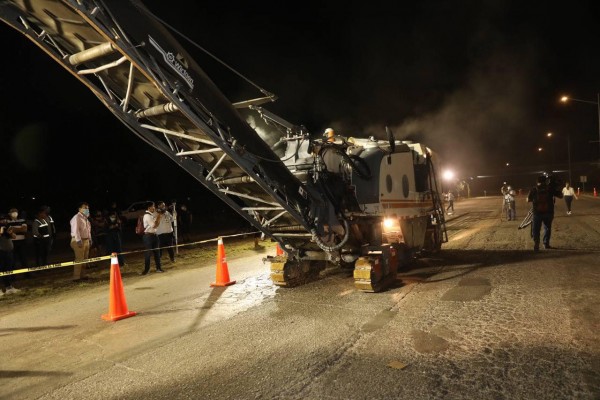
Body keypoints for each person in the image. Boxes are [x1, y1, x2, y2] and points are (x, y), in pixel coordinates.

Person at [527, 175, 563, 251]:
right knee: (547, 228)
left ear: (537, 182)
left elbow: (528, 200)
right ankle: (546, 243)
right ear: (545, 181)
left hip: (537, 213)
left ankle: (536, 243)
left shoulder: (534, 189)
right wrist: (557, 188)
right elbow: (560, 196)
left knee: (536, 229)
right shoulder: (550, 189)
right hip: (549, 212)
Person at [70, 202, 92, 281]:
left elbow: (88, 230)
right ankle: (76, 277)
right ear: (80, 209)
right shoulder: (77, 217)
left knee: (85, 259)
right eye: (85, 208)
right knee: (79, 259)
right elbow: (76, 230)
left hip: (86, 240)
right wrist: (79, 241)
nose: (87, 209)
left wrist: (90, 239)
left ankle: (83, 275)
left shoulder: (85, 218)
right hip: (78, 240)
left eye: (88, 208)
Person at [141, 201, 164, 275]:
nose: (154, 207)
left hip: (154, 235)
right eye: (153, 206)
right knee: (148, 254)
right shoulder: (147, 216)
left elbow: (157, 223)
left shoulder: (152, 214)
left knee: (157, 253)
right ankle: (146, 270)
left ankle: (158, 268)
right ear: (149, 207)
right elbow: (154, 225)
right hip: (148, 236)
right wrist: (159, 217)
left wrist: (159, 215)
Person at [0, 225, 20, 296]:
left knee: (7, 270)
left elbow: (14, 237)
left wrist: (10, 233)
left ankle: (9, 288)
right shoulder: (1, 231)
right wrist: (1, 231)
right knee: (1, 271)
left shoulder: (6, 230)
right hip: (1, 253)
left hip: (9, 252)